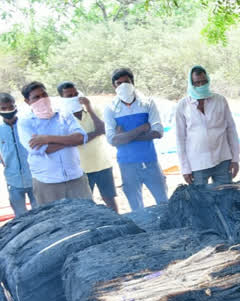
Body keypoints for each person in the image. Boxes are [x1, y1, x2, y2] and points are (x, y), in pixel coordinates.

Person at [17, 82, 92, 205]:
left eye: (44, 94)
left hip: (76, 178)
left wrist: (47, 138)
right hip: (47, 183)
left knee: (88, 218)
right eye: (36, 97)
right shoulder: (25, 123)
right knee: (56, 222)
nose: (42, 99)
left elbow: (81, 138)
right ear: (27, 101)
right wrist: (69, 141)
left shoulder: (64, 115)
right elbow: (40, 149)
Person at [103, 68, 167, 211]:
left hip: (150, 160)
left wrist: (125, 136)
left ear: (133, 83)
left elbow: (158, 132)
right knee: (136, 208)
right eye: (119, 83)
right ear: (114, 86)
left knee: (163, 203)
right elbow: (112, 140)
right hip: (127, 164)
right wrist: (142, 128)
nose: (123, 86)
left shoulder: (147, 103)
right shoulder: (110, 109)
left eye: (127, 82)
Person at [57, 82, 119, 213]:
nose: (74, 97)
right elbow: (74, 141)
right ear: (62, 98)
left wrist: (89, 108)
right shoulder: (62, 118)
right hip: (80, 169)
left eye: (76, 94)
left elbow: (104, 129)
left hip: (102, 163)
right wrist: (95, 133)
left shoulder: (93, 109)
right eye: (69, 96)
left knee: (110, 200)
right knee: (86, 204)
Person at [175, 66, 240, 186]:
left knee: (225, 195)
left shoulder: (220, 100)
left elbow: (231, 129)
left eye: (204, 82)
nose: (201, 85)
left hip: (222, 158)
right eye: (197, 83)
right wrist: (185, 168)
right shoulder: (183, 105)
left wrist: (235, 159)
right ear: (191, 84)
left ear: (208, 80)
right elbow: (180, 138)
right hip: (197, 163)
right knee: (201, 199)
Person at [0, 93, 36, 215]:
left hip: (34, 178)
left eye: (10, 107)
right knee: (20, 216)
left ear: (15, 106)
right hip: (13, 181)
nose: (8, 111)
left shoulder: (26, 125)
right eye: (3, 109)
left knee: (41, 213)